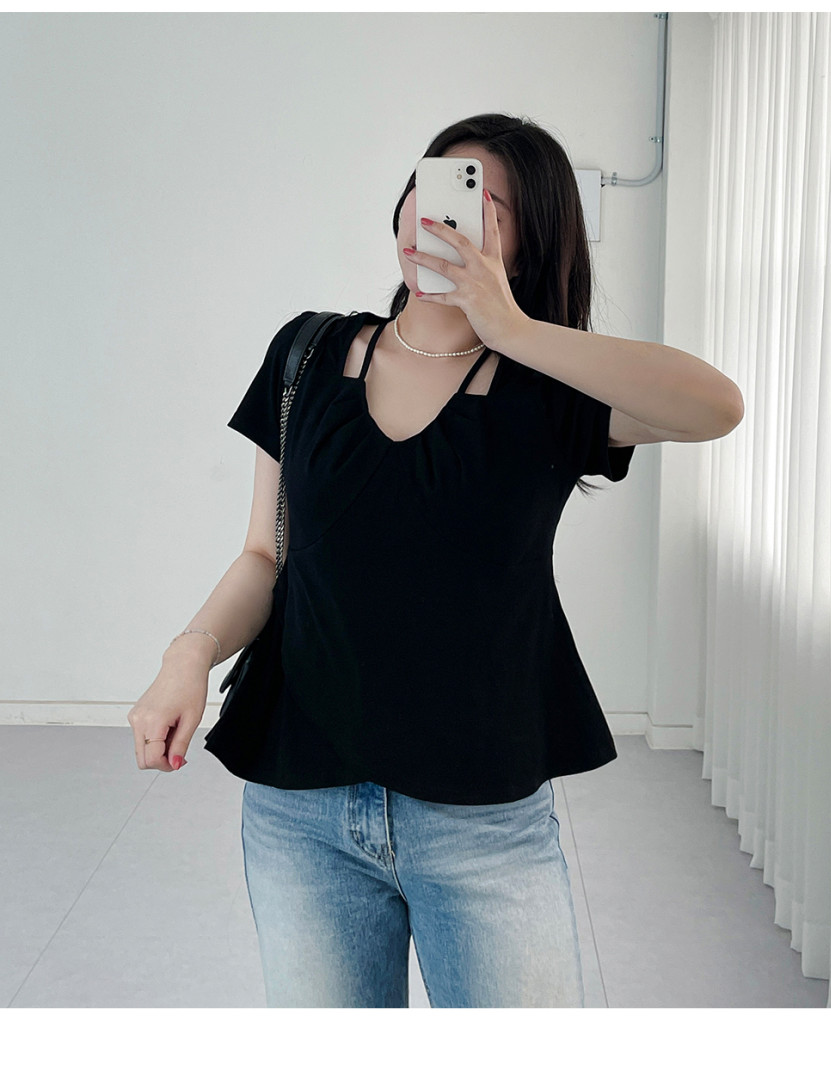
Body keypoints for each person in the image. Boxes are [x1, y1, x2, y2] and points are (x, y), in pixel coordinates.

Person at [127, 113, 744, 1008]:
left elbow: (716, 407)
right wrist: (188, 654)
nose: (441, 212)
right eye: (434, 183)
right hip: (301, 808)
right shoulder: (307, 353)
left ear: (528, 242)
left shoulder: (552, 387)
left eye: (486, 203)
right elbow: (265, 554)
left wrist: (512, 328)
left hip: (483, 821)